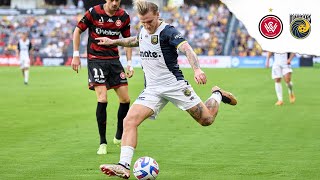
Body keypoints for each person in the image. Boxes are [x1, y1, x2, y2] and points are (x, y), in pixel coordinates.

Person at [96, 0, 237, 178]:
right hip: (153, 90)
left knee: (206, 120)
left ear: (157, 15)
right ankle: (124, 165)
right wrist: (113, 42)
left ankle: (217, 94)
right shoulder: (143, 30)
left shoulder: (168, 32)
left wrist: (197, 69)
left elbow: (187, 49)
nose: (146, 25)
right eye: (143, 22)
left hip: (175, 86)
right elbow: (135, 40)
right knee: (129, 121)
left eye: (149, 21)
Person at [71, 0, 134, 155]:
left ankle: (119, 135)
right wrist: (76, 55)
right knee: (103, 98)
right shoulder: (93, 12)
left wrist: (130, 63)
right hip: (96, 59)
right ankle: (102, 142)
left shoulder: (124, 16)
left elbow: (127, 41)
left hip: (114, 61)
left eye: (117, 0)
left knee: (125, 99)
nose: (114, 3)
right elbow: (77, 30)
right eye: (112, 0)